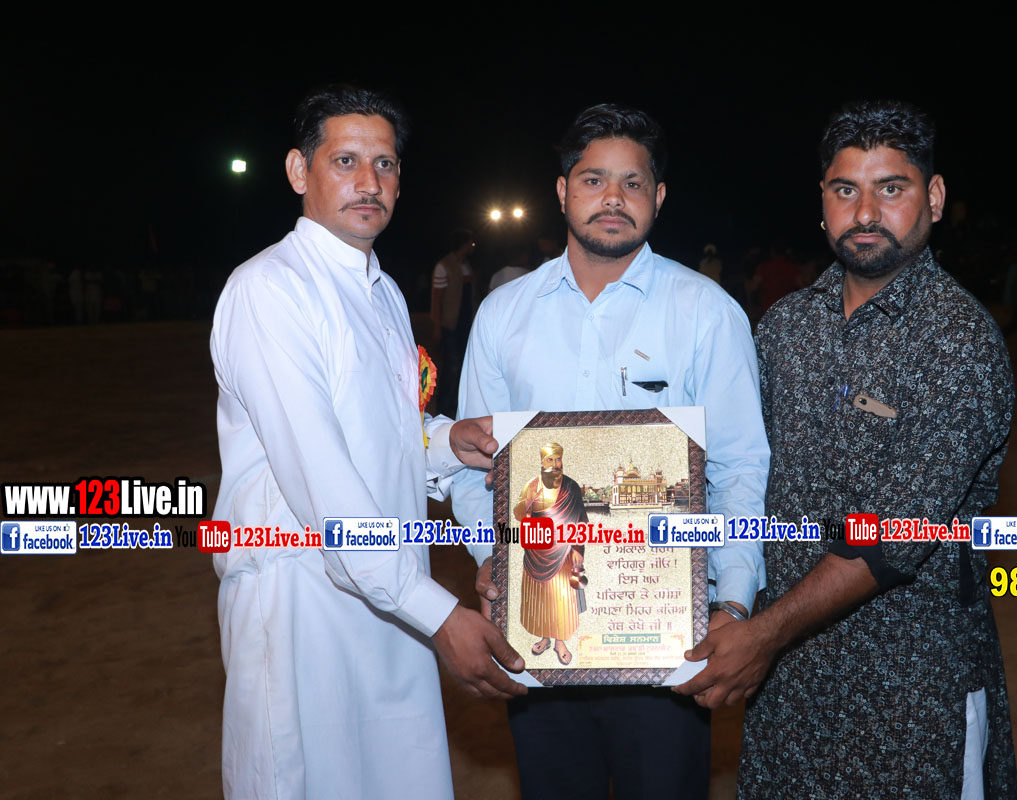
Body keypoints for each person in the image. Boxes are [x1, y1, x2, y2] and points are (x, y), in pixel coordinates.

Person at [676, 100, 1017, 799]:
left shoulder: (959, 342)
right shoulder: (784, 328)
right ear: (823, 203)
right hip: (789, 690)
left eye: (891, 188)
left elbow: (891, 538)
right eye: (845, 190)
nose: (865, 212)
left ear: (935, 197)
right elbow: (732, 471)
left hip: (911, 692)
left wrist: (761, 635)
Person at [209, 84, 526, 800]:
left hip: (389, 589)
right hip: (302, 598)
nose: (369, 182)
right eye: (345, 161)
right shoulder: (271, 289)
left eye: (385, 165)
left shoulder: (381, 292)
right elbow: (320, 474)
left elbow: (380, 434)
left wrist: (448, 442)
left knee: (396, 776)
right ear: (299, 171)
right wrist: (438, 613)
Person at [453, 103, 770, 800]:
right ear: (562, 191)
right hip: (542, 626)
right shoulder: (504, 316)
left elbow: (741, 466)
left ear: (659, 196)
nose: (613, 198)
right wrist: (489, 558)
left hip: (665, 630)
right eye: (594, 179)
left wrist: (735, 600)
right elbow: (476, 465)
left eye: (633, 183)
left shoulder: (706, 311)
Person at [514, 442, 589, 664]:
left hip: (564, 550)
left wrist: (578, 549)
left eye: (558, 459)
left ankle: (559, 642)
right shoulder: (532, 485)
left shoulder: (571, 487)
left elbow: (581, 520)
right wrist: (527, 502)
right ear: (542, 462)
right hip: (537, 548)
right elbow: (519, 515)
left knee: (560, 597)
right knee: (541, 598)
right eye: (550, 459)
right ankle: (545, 638)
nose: (555, 464)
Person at [431, 228, 478, 412]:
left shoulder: (466, 265)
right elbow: (437, 299)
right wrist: (437, 326)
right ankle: (444, 408)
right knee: (451, 366)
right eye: (470, 243)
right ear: (463, 245)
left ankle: (457, 406)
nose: (473, 246)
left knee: (462, 367)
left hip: (465, 323)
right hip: (450, 325)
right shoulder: (444, 266)